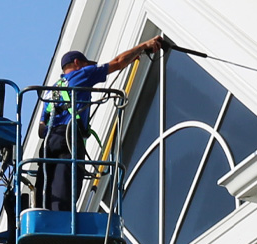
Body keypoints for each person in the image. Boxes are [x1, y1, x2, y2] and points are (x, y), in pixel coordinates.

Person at [40, 36, 165, 211]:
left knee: (50, 184)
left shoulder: (51, 91)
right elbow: (117, 62)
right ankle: (62, 222)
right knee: (68, 184)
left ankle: (46, 216)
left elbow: (41, 128)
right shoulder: (81, 75)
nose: (89, 67)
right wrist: (143, 46)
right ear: (77, 63)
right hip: (68, 138)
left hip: (48, 143)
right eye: (86, 64)